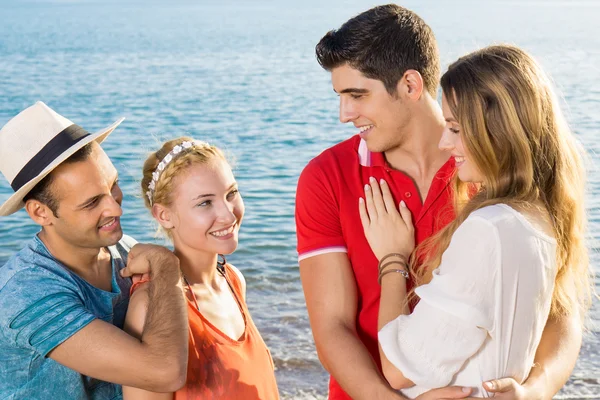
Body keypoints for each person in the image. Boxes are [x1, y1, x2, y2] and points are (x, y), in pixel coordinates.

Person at [295, 4, 584, 399]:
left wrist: (534, 390)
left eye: (357, 94)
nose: (345, 114)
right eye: (340, 96)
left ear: (411, 85)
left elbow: (559, 307)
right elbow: (331, 327)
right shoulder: (326, 177)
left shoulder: (490, 171)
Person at [359, 44, 591, 397]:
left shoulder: (491, 228)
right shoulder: (541, 217)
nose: (445, 141)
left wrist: (392, 259)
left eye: (454, 128)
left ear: (497, 130)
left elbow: (399, 369)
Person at [0, 102, 189, 399]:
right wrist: (168, 267)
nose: (115, 207)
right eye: (91, 203)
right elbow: (164, 372)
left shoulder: (125, 250)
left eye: (113, 185)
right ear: (40, 212)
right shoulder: (24, 293)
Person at [122, 137, 279, 400]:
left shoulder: (233, 280)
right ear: (164, 215)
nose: (229, 215)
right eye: (205, 203)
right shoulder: (149, 306)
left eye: (231, 194)